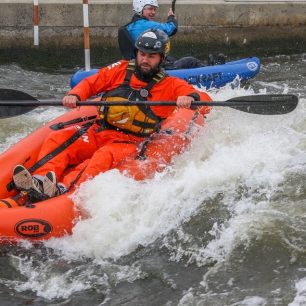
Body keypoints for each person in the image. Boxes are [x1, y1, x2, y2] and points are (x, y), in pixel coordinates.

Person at [0, 29, 212, 208]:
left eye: (151, 56)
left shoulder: (170, 84)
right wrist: (75, 95)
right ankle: (41, 179)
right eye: (142, 54)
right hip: (99, 130)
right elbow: (92, 83)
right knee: (59, 139)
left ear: (161, 59)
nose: (145, 59)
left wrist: (189, 98)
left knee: (102, 157)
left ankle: (61, 189)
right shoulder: (120, 69)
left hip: (130, 142)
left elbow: (202, 98)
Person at [118, 0, 225, 68]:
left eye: (154, 9)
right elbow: (170, 29)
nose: (153, 12)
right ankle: (212, 70)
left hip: (141, 63)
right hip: (149, 66)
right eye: (150, 9)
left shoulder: (131, 25)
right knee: (190, 61)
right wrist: (171, 18)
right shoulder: (142, 25)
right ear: (139, 9)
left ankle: (209, 67)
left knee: (172, 59)